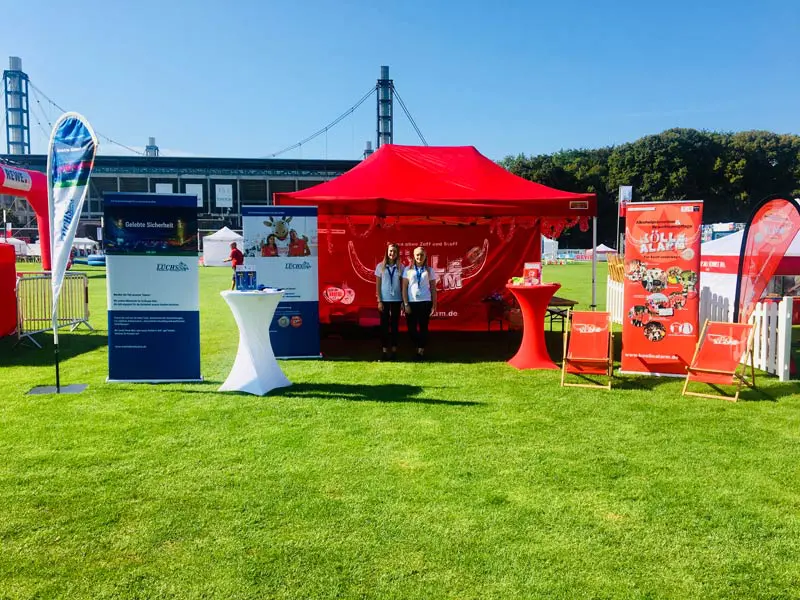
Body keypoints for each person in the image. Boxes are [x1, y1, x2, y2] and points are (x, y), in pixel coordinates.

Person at [402, 246, 437, 361]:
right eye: (417, 255)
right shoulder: (407, 270)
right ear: (414, 256)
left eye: (421, 255)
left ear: (425, 256)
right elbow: (404, 288)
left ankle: (420, 350)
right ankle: (418, 343)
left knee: (423, 327)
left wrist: (434, 304)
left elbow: (433, 288)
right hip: (411, 303)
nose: (419, 257)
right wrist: (405, 304)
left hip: (425, 302)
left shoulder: (430, 270)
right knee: (411, 329)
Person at [375, 242, 403, 361]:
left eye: (395, 251)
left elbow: (403, 285)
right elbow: (378, 285)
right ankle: (384, 351)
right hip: (384, 300)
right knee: (384, 326)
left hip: (397, 300)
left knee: (395, 326)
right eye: (391, 251)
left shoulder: (401, 267)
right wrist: (379, 300)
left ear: (397, 254)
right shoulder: (380, 266)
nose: (392, 253)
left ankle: (394, 351)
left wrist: (403, 301)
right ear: (387, 252)